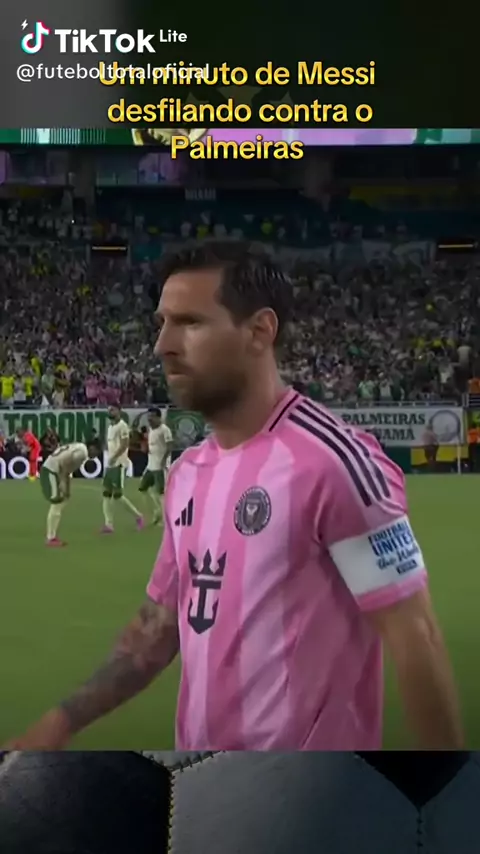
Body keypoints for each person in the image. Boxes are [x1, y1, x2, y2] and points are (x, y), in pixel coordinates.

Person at [6, 241, 463, 751]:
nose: (162, 345)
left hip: (310, 789)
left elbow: (415, 635)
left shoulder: (332, 462)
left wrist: (446, 790)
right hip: (199, 782)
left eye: (190, 322)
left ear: (260, 331)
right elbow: (158, 628)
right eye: (162, 323)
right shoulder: (187, 472)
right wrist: (59, 723)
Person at [101, 405, 144, 534]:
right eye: (109, 410)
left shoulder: (122, 426)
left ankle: (138, 516)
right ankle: (108, 524)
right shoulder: (110, 427)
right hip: (110, 464)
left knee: (118, 495)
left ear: (119, 411)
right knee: (106, 494)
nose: (110, 412)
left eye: (113, 409)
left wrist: (114, 457)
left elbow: (125, 444)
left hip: (119, 463)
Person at [39, 442, 92, 546]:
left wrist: (67, 489)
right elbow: (65, 465)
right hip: (51, 471)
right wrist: (63, 483)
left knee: (59, 502)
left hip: (51, 469)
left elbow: (67, 468)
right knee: (57, 502)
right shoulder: (82, 453)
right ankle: (51, 538)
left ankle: (52, 536)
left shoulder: (79, 446)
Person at [138, 407, 173, 526]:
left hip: (160, 466)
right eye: (149, 416)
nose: (150, 419)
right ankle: (157, 510)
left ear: (159, 417)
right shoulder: (151, 430)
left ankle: (164, 519)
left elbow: (170, 446)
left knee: (161, 492)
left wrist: (164, 461)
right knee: (142, 488)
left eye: (152, 416)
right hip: (151, 464)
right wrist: (146, 449)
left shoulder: (164, 430)